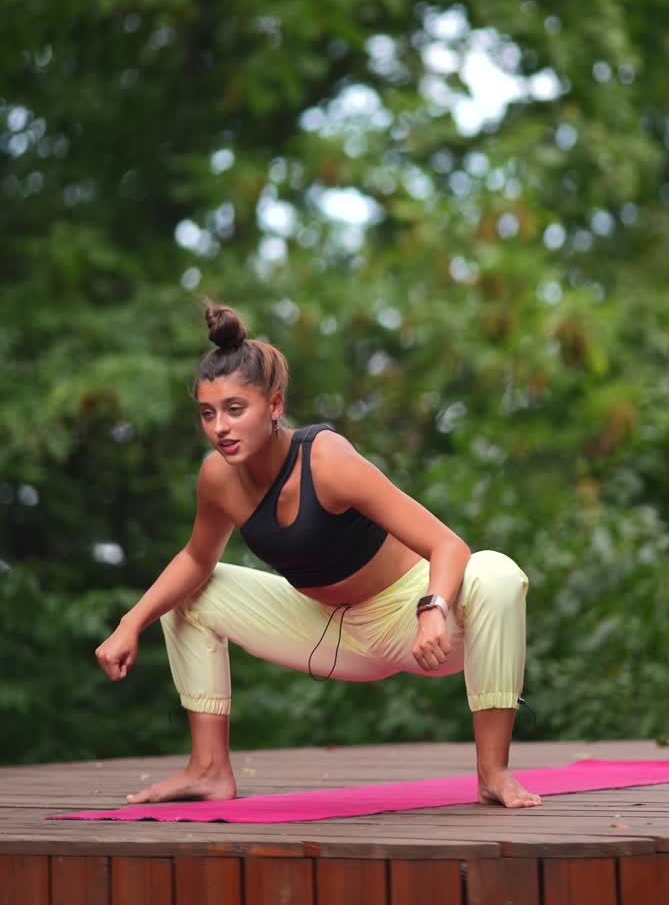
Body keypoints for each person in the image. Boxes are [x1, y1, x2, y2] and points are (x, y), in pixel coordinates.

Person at [95, 300, 542, 810]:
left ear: (275, 406)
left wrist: (433, 608)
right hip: (323, 630)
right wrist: (131, 623)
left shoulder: (327, 460)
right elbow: (195, 560)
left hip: (410, 621)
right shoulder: (216, 479)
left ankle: (492, 773)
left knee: (496, 572)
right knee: (190, 591)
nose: (220, 427)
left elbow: (448, 545)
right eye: (208, 413)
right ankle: (209, 769)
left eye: (235, 410)